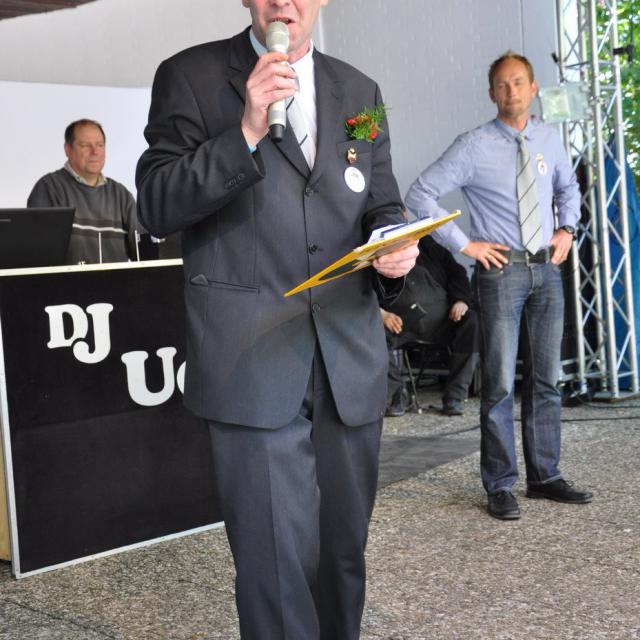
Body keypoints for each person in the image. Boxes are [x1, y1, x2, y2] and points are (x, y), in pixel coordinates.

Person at [135, 1, 418, 638]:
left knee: (342, 558)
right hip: (250, 357)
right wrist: (245, 131)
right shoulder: (189, 75)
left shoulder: (362, 92)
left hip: (347, 354)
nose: (284, 2)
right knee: (273, 567)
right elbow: (155, 205)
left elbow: (381, 200)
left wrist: (393, 243)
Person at [405, 51, 593, 520]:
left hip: (547, 268)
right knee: (501, 382)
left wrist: (567, 229)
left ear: (533, 88)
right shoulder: (473, 146)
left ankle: (545, 476)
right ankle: (500, 483)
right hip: (500, 272)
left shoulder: (549, 139)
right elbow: (420, 194)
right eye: (503, 85)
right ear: (491, 93)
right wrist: (464, 245)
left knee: (547, 378)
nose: (512, 91)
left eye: (519, 82)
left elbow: (568, 189)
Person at [382, 235, 479, 417]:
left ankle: (455, 396)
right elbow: (362, 289)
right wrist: (381, 313)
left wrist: (461, 300)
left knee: (471, 321)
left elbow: (456, 272)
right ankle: (397, 394)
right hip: (397, 322)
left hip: (442, 320)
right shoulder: (377, 249)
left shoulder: (427, 244)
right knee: (371, 332)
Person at [27, 119, 138, 264]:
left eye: (100, 145)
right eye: (85, 145)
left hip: (117, 279)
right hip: (66, 279)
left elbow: (143, 251)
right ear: (68, 149)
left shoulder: (121, 195)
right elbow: (40, 255)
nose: (95, 152)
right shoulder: (49, 188)